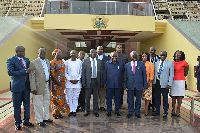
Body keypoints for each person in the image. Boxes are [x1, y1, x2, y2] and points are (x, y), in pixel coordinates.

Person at [6, 46, 34, 130]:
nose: (23, 53)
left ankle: (26, 121)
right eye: (21, 51)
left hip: (26, 87)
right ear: (16, 51)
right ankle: (18, 123)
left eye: (24, 51)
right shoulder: (11, 60)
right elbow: (10, 72)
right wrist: (24, 71)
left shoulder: (27, 60)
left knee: (27, 105)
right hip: (17, 87)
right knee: (17, 106)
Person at [29, 47, 53, 126]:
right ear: (38, 53)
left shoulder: (47, 61)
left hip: (46, 84)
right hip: (38, 86)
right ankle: (39, 120)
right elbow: (31, 76)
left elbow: (48, 73)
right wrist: (33, 88)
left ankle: (46, 117)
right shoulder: (33, 62)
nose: (42, 54)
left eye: (44, 52)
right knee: (38, 103)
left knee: (46, 102)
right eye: (41, 52)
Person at [125, 51, 147, 118]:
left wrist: (144, 85)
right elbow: (125, 76)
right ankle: (130, 112)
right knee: (130, 100)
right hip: (130, 85)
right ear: (130, 56)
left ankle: (137, 112)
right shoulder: (127, 65)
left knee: (138, 100)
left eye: (135, 55)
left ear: (137, 56)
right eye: (132, 55)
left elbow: (144, 75)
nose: (134, 57)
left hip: (139, 85)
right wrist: (125, 85)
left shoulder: (141, 64)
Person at [153, 51, 174, 119]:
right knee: (157, 98)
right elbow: (155, 73)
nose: (162, 56)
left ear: (166, 56)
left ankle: (165, 112)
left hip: (165, 84)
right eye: (161, 55)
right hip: (157, 83)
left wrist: (169, 84)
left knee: (165, 98)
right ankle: (157, 111)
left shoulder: (170, 63)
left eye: (164, 55)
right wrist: (154, 82)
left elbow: (171, 75)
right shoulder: (156, 63)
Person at [82, 49, 102, 117]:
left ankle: (95, 111)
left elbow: (101, 73)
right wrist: (84, 83)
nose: (94, 53)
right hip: (88, 81)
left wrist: (101, 82)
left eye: (95, 52)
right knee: (87, 97)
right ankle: (87, 111)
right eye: (92, 52)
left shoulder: (99, 61)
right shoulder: (86, 61)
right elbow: (83, 73)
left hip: (96, 81)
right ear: (90, 53)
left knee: (96, 97)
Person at [50, 48, 69, 119]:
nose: (61, 54)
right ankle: (55, 113)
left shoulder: (62, 62)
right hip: (55, 84)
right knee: (55, 99)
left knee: (61, 98)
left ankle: (59, 112)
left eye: (61, 53)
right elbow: (51, 74)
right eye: (59, 53)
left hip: (62, 84)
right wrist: (57, 82)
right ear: (55, 54)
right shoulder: (52, 62)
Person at [104, 52, 124, 117]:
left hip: (118, 84)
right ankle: (109, 111)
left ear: (117, 57)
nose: (114, 58)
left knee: (117, 99)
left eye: (115, 56)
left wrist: (123, 83)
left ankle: (117, 111)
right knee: (109, 99)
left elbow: (123, 74)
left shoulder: (121, 64)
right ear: (110, 56)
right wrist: (104, 82)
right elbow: (105, 74)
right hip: (109, 84)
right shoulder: (107, 64)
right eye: (113, 56)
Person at [170, 50, 189, 117]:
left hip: (181, 81)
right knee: (173, 96)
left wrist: (181, 76)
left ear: (181, 56)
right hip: (173, 81)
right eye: (176, 54)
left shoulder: (185, 63)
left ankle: (178, 110)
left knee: (180, 96)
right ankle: (173, 110)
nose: (177, 55)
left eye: (179, 54)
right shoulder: (172, 63)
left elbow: (186, 73)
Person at [65, 50, 82, 117]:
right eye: (72, 53)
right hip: (69, 82)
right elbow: (65, 72)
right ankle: (70, 110)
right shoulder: (67, 62)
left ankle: (74, 110)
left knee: (75, 97)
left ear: (76, 54)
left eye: (74, 53)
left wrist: (77, 79)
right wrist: (70, 79)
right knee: (69, 97)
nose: (73, 54)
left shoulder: (79, 62)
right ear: (70, 54)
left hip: (77, 83)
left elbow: (81, 72)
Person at [97, 46, 110, 111]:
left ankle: (102, 106)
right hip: (95, 78)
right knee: (96, 92)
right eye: (99, 49)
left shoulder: (107, 58)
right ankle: (95, 106)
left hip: (104, 78)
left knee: (103, 93)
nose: (100, 50)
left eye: (101, 49)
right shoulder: (93, 57)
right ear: (97, 50)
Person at [115, 44, 128, 108]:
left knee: (121, 92)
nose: (119, 49)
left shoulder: (125, 57)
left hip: (122, 77)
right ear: (116, 48)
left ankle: (120, 104)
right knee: (115, 91)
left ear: (122, 49)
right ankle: (116, 103)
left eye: (120, 47)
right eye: (118, 47)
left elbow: (126, 67)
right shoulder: (113, 55)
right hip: (114, 77)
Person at [149, 46, 160, 111]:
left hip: (156, 78)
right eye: (151, 50)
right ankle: (149, 105)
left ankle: (155, 106)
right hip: (149, 78)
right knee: (149, 92)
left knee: (156, 93)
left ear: (155, 51)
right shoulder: (147, 57)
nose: (152, 52)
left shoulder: (158, 58)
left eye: (153, 50)